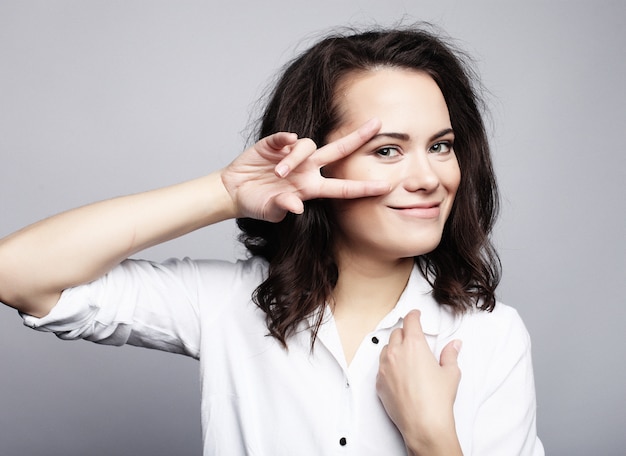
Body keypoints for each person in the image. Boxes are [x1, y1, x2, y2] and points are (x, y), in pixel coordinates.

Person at [0, 26, 544, 455]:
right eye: (387, 149)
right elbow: (16, 273)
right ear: (310, 158)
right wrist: (224, 192)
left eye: (442, 146)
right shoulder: (225, 305)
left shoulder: (492, 337)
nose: (430, 178)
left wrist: (432, 440)